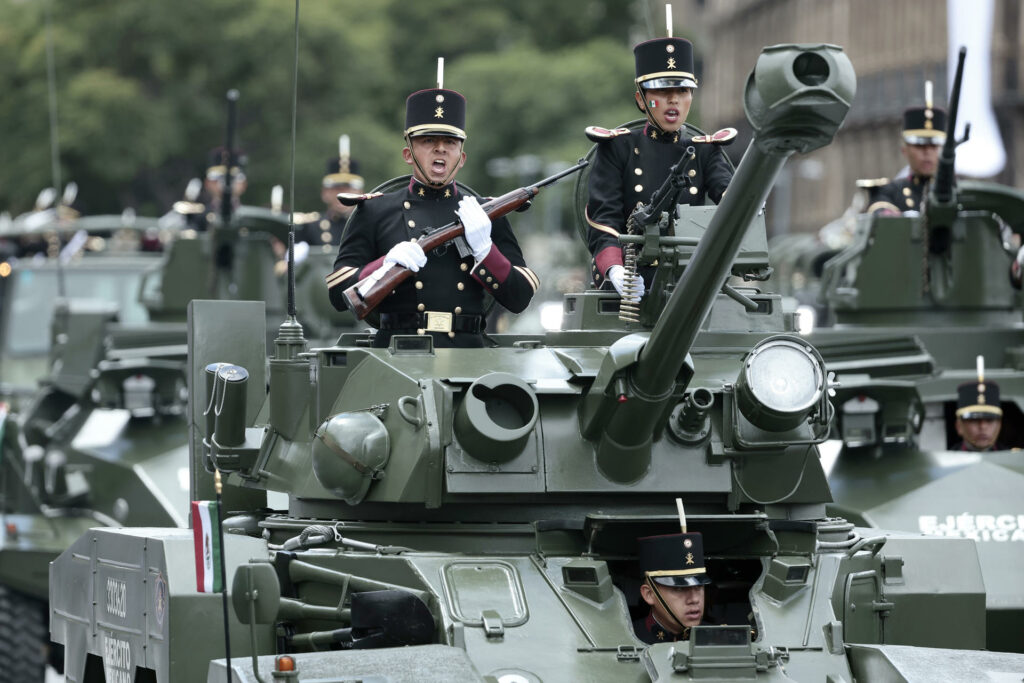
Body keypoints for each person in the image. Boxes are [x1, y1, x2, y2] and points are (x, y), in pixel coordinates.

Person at [325, 83, 538, 348]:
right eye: (428, 141)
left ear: (461, 158)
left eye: (450, 142)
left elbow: (520, 298)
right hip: (397, 354)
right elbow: (337, 294)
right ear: (408, 154)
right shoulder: (375, 211)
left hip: (469, 354)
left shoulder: (486, 214)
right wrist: (384, 265)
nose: (440, 149)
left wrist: (486, 250)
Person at [585, 35, 732, 297]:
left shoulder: (704, 150)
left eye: (683, 91)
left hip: (690, 281)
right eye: (663, 91)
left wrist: (751, 197)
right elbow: (602, 220)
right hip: (630, 284)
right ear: (641, 100)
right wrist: (616, 269)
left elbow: (731, 200)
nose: (673, 100)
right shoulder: (618, 148)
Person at [866, 100, 947, 216]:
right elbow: (879, 210)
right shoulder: (890, 191)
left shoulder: (958, 190)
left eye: (934, 146)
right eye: (920, 146)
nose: (927, 152)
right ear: (905, 150)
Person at [633, 531, 713, 644]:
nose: (694, 599)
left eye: (699, 586)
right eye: (679, 589)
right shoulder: (628, 639)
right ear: (649, 594)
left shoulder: (719, 638)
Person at [299, 135, 364, 249]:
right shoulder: (310, 227)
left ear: (360, 193)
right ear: (325, 193)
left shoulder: (369, 225)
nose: (343, 194)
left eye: (348, 189)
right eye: (336, 189)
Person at [952, 379, 1006, 451]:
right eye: (974, 420)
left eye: (990, 420)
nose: (983, 426)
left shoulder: (1014, 459)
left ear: (999, 425)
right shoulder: (946, 461)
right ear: (959, 426)